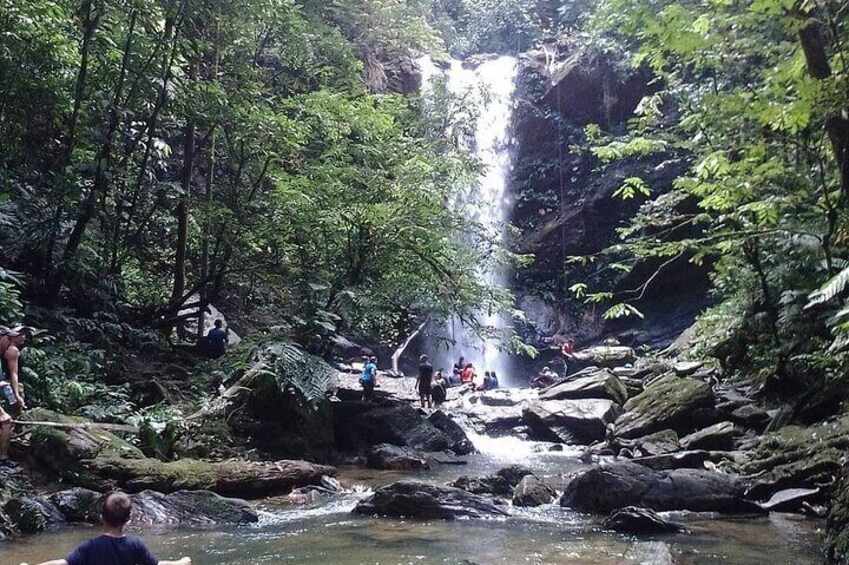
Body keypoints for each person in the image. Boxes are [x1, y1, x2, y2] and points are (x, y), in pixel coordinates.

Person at [23, 491, 192, 565]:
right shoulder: (134, 545)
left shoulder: (90, 546)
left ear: (102, 517)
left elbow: (63, 563)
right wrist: (182, 561)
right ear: (128, 519)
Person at [0, 326, 26, 466]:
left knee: (7, 421)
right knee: (7, 421)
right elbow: (14, 373)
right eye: (8, 338)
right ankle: (3, 458)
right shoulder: (12, 351)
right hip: (6, 389)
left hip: (5, 388)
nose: (10, 341)